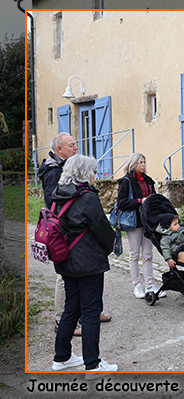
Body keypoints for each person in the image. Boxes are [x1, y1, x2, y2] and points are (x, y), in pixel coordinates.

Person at [50, 155, 118, 377]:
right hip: (88, 261)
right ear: (84, 173)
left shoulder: (58, 194)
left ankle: (62, 357)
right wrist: (108, 247)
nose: (95, 176)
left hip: (65, 259)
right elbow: (102, 228)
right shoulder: (87, 197)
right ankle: (93, 365)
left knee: (72, 307)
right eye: (93, 171)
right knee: (90, 311)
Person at [38, 133, 111, 336]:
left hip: (74, 235)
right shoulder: (54, 171)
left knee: (80, 281)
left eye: (75, 144)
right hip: (65, 236)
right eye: (71, 145)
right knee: (65, 279)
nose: (76, 148)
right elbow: (55, 204)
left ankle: (88, 312)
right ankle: (62, 319)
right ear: (59, 149)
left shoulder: (65, 167)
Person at [116, 153, 164, 299]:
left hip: (147, 221)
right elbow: (121, 203)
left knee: (148, 254)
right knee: (135, 254)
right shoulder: (126, 181)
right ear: (133, 164)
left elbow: (154, 198)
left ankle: (150, 285)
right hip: (133, 222)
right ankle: (137, 285)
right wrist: (139, 201)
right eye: (141, 162)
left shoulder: (148, 180)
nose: (143, 165)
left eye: (144, 162)